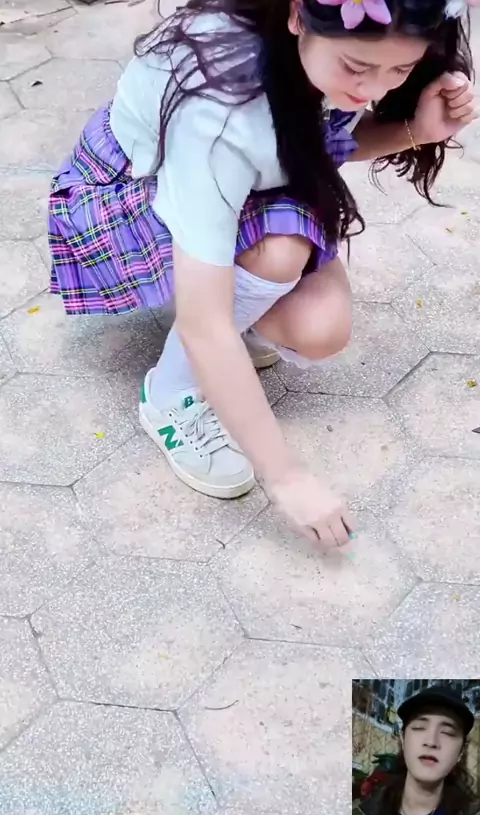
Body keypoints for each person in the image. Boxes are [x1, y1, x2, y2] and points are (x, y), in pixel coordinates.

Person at [48, 0, 478, 548]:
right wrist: (287, 476)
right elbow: (205, 324)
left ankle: (240, 313)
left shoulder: (317, 52)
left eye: (400, 69)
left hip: (242, 185)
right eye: (357, 66)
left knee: (319, 326)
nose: (374, 90)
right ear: (298, 16)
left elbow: (312, 142)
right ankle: (170, 395)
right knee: (276, 260)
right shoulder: (220, 111)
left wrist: (417, 129)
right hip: (132, 194)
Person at [352, 685, 480, 815]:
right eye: (419, 727)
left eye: (448, 732)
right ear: (403, 740)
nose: (431, 742)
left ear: (460, 753)